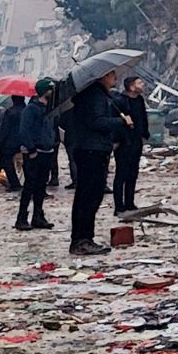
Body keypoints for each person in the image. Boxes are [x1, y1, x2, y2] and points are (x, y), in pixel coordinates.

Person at [62, 71, 127, 255]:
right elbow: (97, 122)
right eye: (112, 74)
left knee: (89, 195)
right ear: (103, 76)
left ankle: (83, 238)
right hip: (92, 150)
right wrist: (120, 121)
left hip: (91, 149)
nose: (115, 77)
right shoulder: (95, 96)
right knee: (89, 196)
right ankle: (82, 240)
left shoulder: (96, 95)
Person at [15, 80, 58, 232]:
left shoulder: (50, 109)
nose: (53, 93)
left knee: (41, 186)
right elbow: (24, 131)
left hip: (47, 151)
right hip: (34, 153)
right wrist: (31, 149)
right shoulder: (31, 110)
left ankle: (38, 216)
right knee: (29, 186)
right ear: (44, 91)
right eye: (51, 90)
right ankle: (21, 218)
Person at [111, 76, 148, 214]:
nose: (142, 84)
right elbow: (115, 125)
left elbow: (143, 118)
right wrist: (117, 140)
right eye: (139, 83)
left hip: (136, 141)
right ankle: (119, 206)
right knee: (121, 174)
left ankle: (129, 203)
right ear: (131, 86)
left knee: (133, 174)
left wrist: (144, 135)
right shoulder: (119, 102)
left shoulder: (139, 100)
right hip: (123, 143)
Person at [0, 95, 26, 191]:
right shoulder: (26, 110)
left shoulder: (10, 112)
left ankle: (15, 184)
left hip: (10, 141)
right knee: (4, 160)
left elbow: (4, 129)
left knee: (7, 162)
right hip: (22, 140)